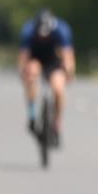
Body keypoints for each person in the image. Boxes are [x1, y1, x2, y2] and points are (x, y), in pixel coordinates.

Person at [18, 9, 75, 147]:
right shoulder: (28, 31)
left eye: (46, 34)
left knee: (59, 89)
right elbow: (23, 57)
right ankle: (32, 116)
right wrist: (23, 74)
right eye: (40, 34)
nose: (43, 37)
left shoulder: (61, 30)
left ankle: (56, 124)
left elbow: (68, 56)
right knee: (31, 73)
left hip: (53, 59)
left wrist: (69, 72)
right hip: (35, 57)